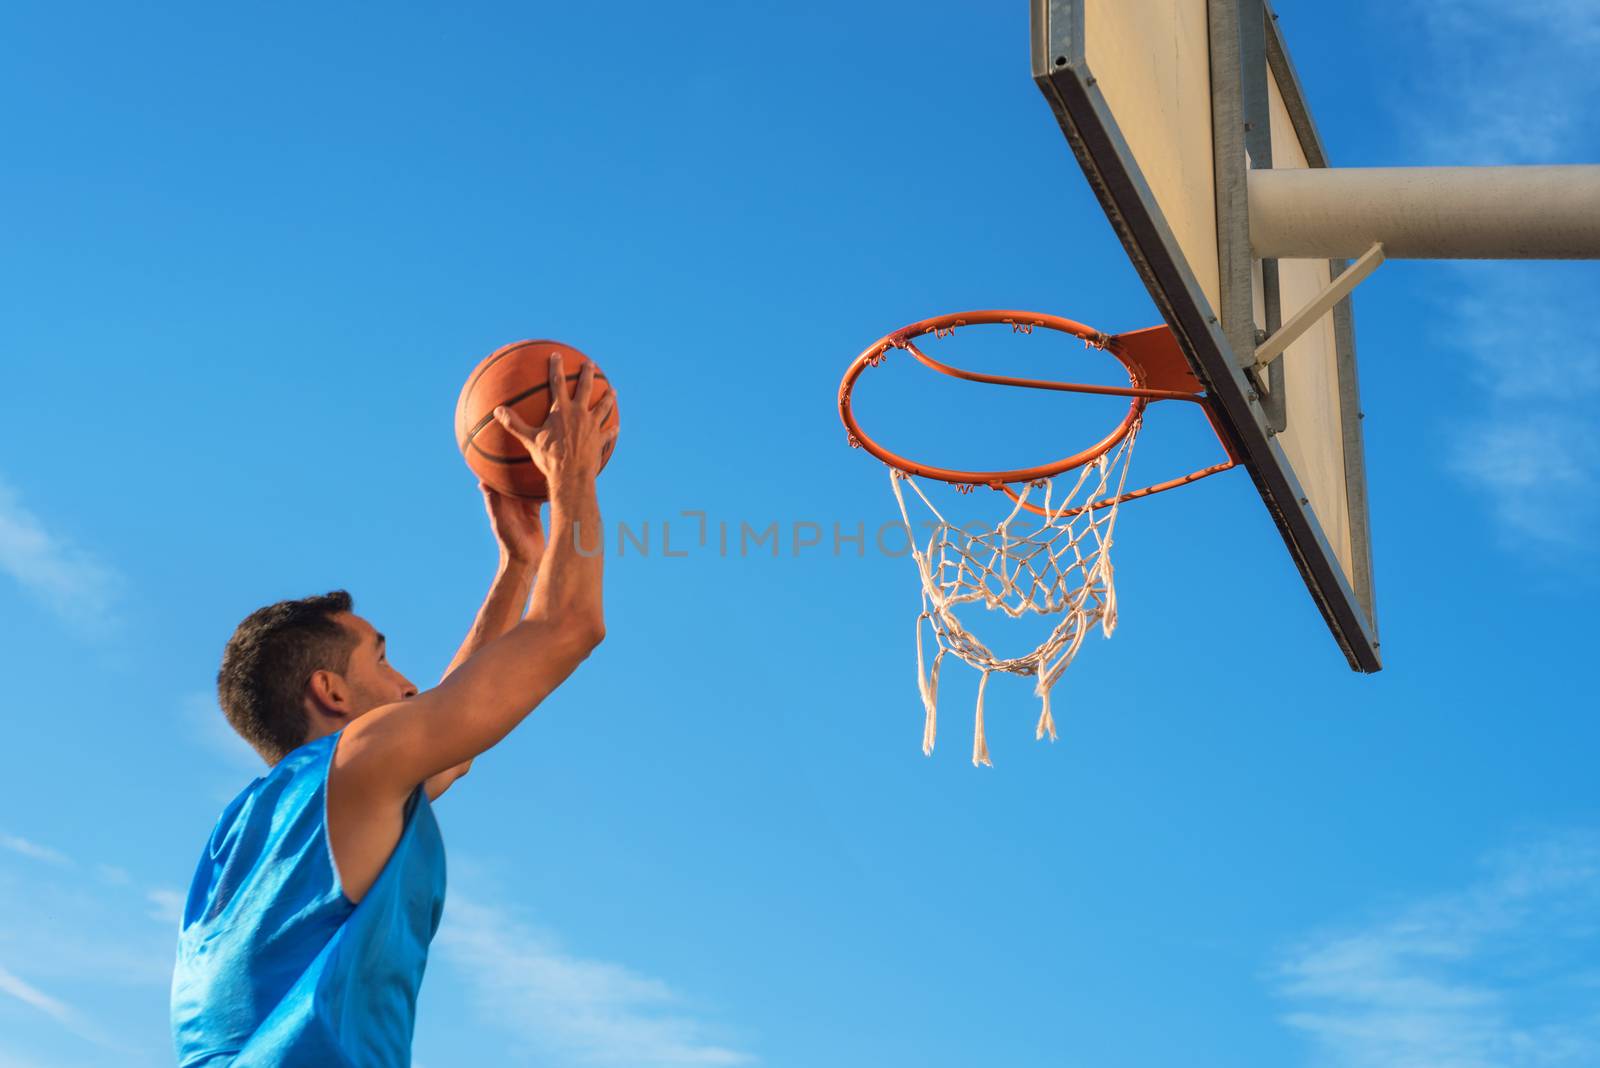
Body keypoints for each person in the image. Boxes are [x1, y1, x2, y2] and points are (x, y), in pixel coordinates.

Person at [171, 355, 615, 1066]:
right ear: (332, 693)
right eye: (382, 658)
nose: (409, 685)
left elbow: (453, 739)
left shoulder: (251, 833)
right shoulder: (356, 769)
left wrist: (518, 566)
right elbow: (569, 628)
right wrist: (571, 479)